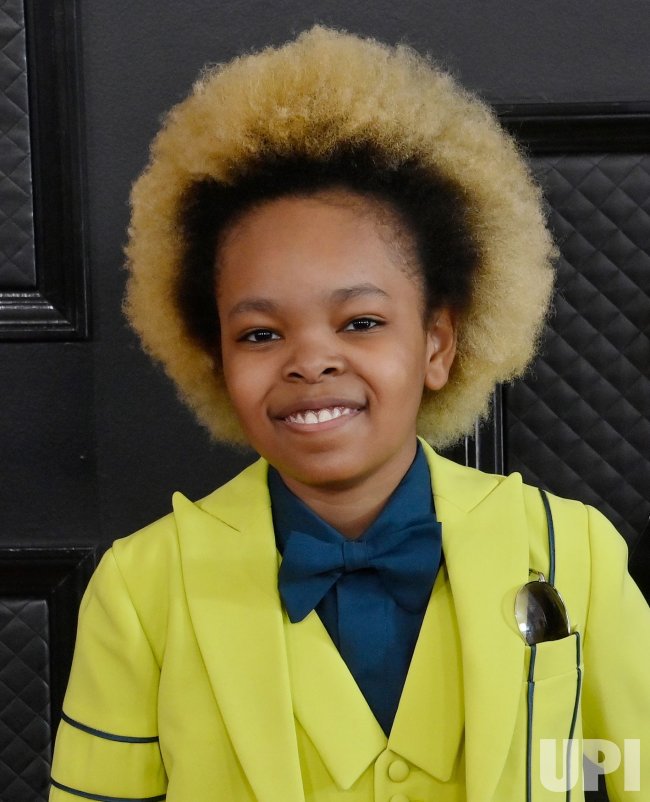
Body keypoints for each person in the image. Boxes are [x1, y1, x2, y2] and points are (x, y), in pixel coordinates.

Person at [49, 25, 650, 802]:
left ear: (438, 343)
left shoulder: (576, 555)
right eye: (260, 334)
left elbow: (632, 771)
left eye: (361, 322)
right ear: (213, 358)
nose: (310, 360)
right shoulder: (143, 589)